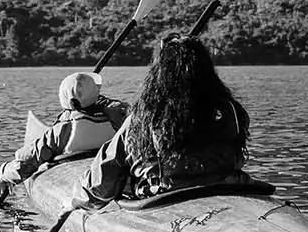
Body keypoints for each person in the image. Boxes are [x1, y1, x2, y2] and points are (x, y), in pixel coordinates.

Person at [74, 36, 251, 206]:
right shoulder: (229, 109)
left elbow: (102, 182)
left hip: (165, 193)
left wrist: (76, 200)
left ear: (158, 73)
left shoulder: (145, 116)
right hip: (228, 184)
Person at [0, 71, 128, 195]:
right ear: (96, 95)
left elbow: (27, 162)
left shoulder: (62, 129)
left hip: (74, 175)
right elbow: (119, 107)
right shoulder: (115, 117)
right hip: (106, 171)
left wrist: (5, 173)